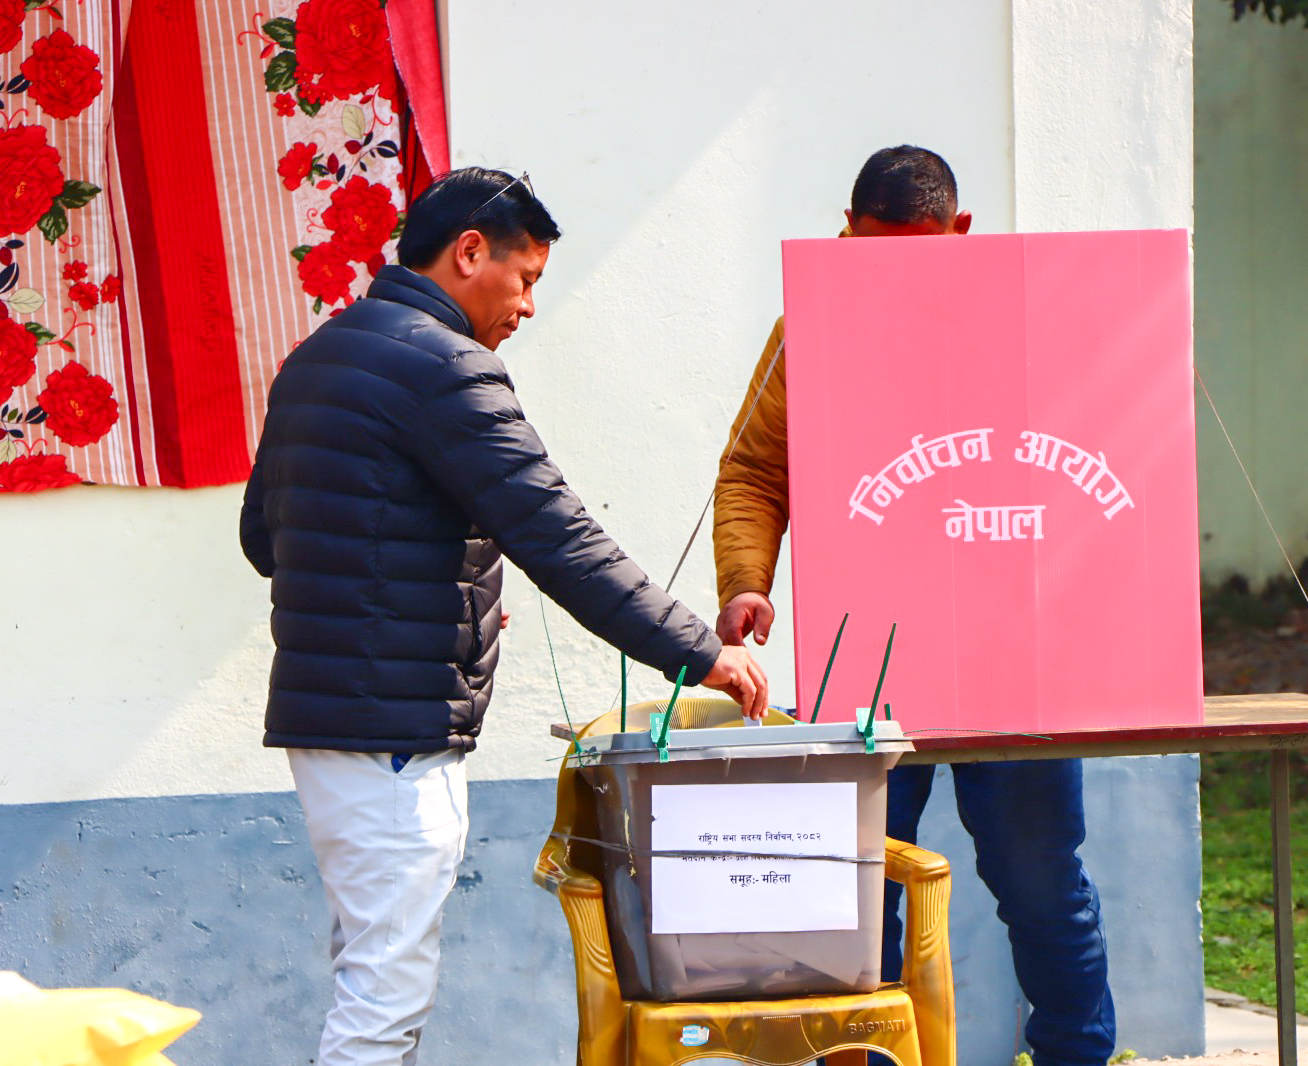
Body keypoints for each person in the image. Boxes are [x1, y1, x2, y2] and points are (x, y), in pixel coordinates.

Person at [241, 167, 768, 1066]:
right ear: (469, 252)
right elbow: (561, 538)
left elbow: (267, 537)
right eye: (524, 279)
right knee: (383, 1004)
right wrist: (699, 653)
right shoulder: (447, 368)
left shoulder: (320, 355)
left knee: (369, 973)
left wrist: (436, 590)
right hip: (394, 737)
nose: (526, 306)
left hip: (328, 732)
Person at [712, 146, 1116, 1066]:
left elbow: (1093, 456)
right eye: (871, 255)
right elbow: (753, 471)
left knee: (1041, 885)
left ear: (961, 231)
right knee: (858, 892)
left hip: (1017, 660)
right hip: (869, 666)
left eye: (914, 255)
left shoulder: (1028, 317)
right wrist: (746, 581)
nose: (888, 277)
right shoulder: (810, 328)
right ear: (844, 229)